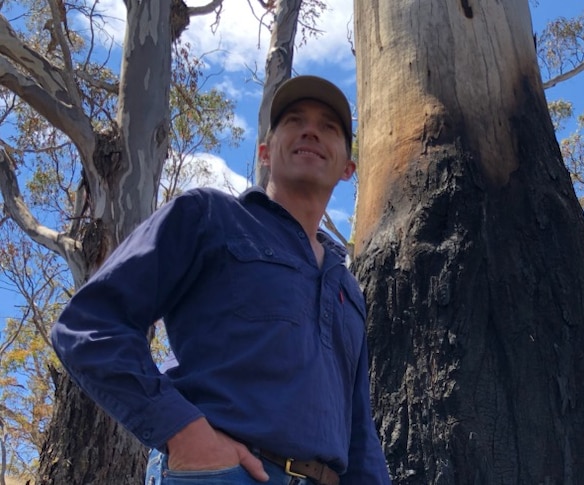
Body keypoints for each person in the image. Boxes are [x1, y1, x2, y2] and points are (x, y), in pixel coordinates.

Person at [51, 75, 391, 485]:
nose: (311, 131)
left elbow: (359, 431)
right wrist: (183, 432)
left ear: (348, 168)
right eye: (294, 120)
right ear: (265, 151)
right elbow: (88, 324)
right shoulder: (209, 216)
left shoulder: (348, 289)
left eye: (329, 127)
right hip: (221, 473)